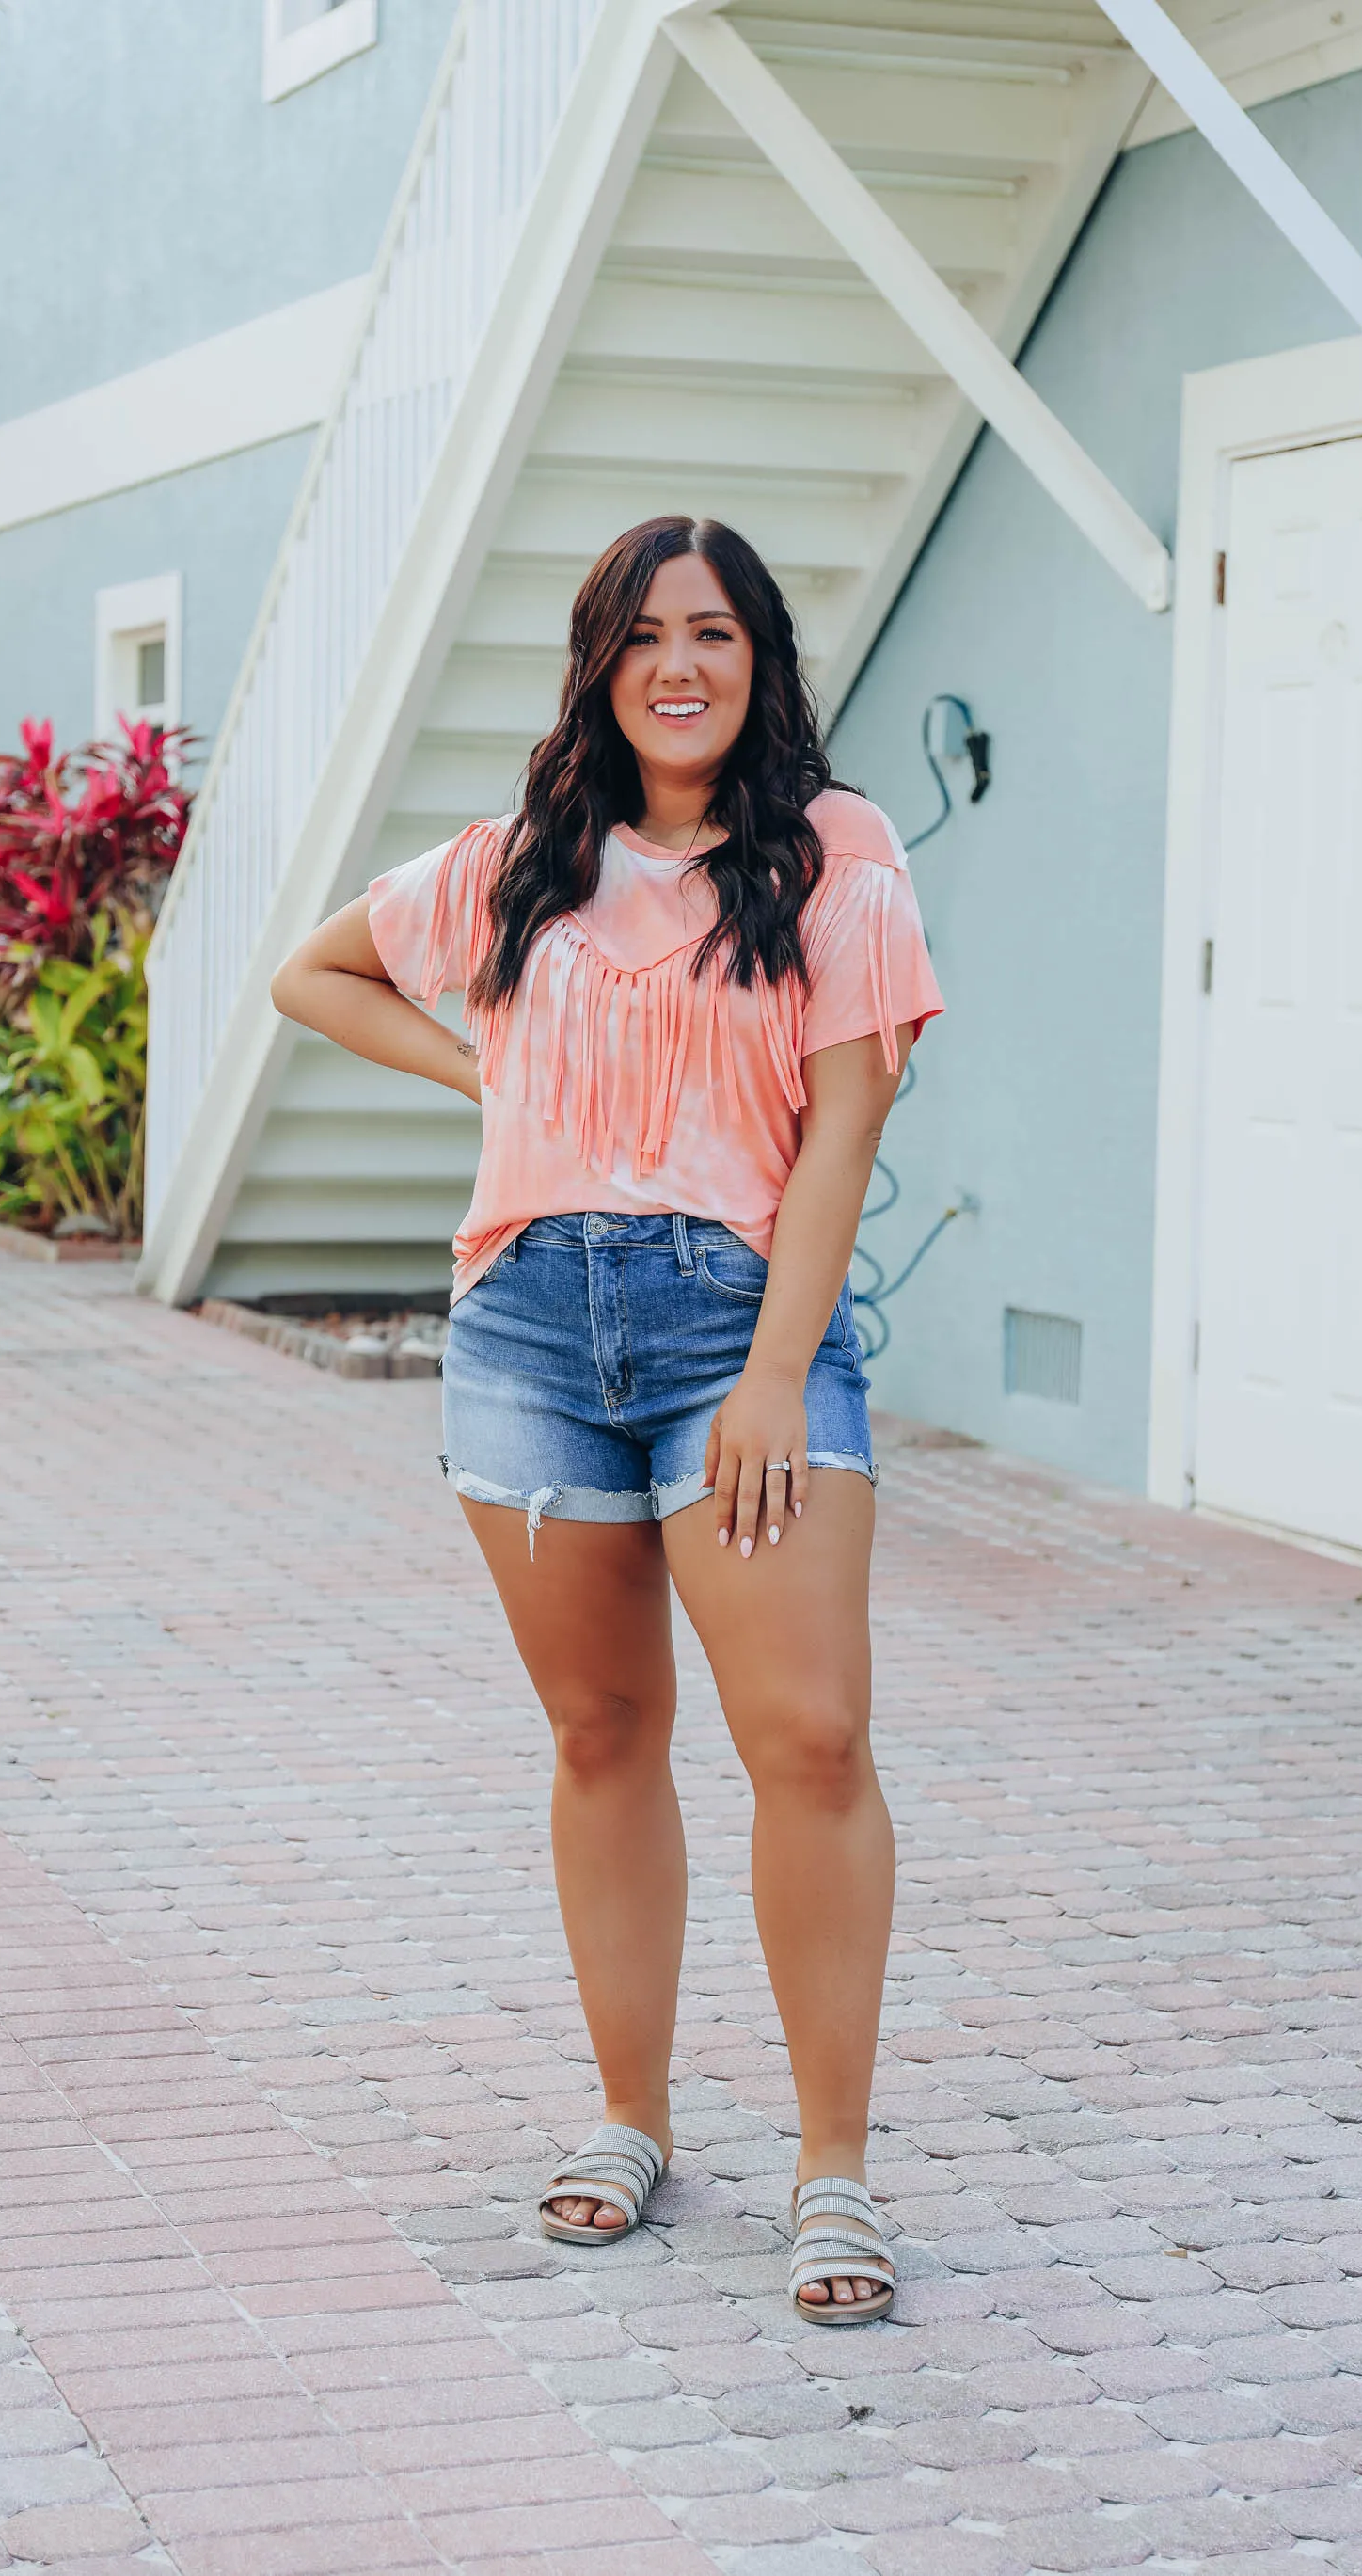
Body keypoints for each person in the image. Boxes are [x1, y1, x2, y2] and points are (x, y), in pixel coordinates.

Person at [272, 515, 942, 2320]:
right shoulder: (521, 863)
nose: (681, 665)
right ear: (602, 662)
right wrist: (485, 1058)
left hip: (739, 1322)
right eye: (647, 635)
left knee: (806, 1735)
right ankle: (632, 2121)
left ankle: (833, 2170)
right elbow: (312, 973)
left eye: (715, 632)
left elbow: (843, 1144)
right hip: (530, 1330)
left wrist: (780, 1374)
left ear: (761, 657)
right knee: (600, 1730)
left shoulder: (838, 858)